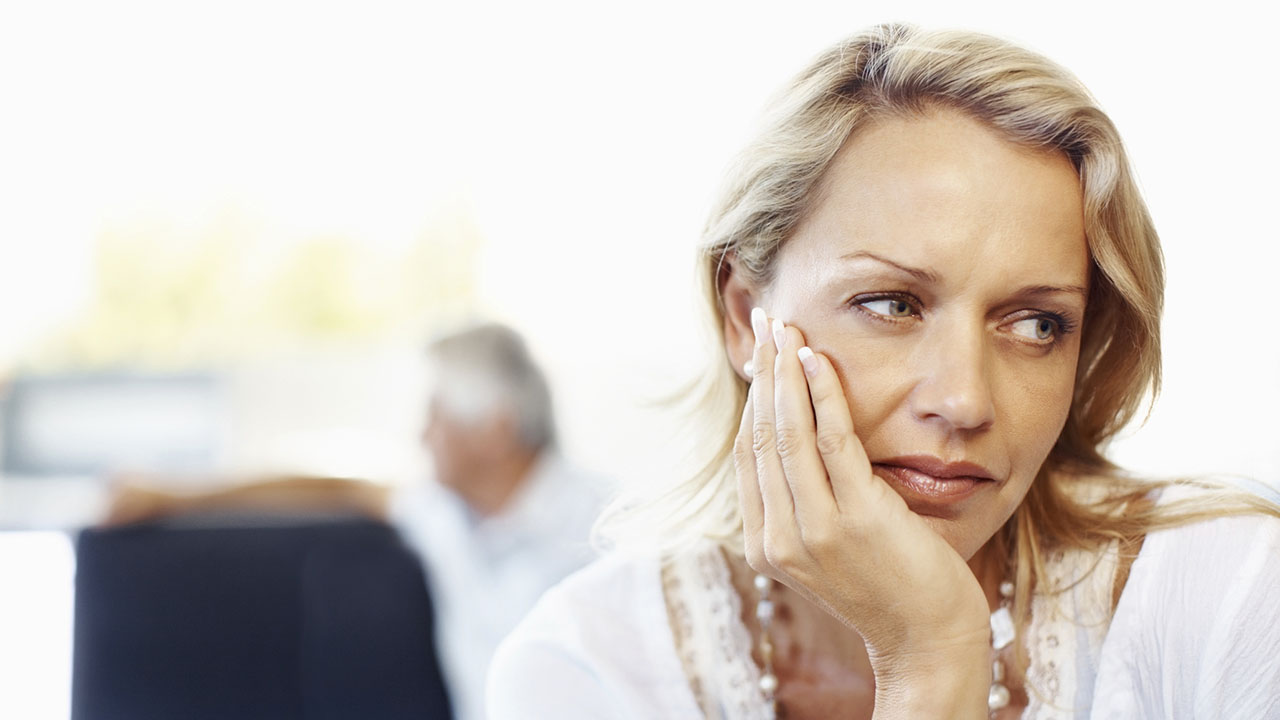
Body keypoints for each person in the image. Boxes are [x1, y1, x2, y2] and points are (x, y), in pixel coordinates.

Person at [486, 24, 1280, 719]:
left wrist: (929, 651)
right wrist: (931, 659)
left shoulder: (1228, 597)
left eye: (1037, 323)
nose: (965, 399)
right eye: (893, 304)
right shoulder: (585, 667)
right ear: (742, 316)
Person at [392, 322, 608, 720]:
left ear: (496, 427)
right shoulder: (433, 513)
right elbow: (347, 492)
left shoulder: (607, 526)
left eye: (437, 415)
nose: (423, 435)